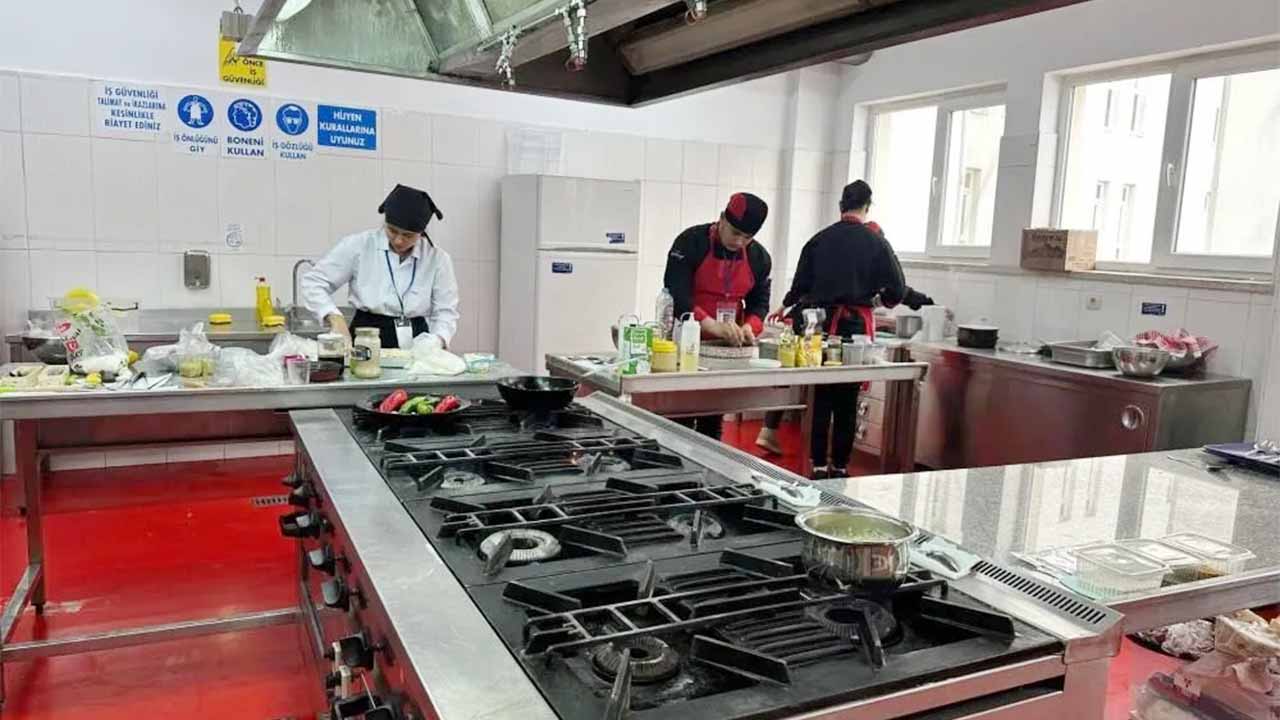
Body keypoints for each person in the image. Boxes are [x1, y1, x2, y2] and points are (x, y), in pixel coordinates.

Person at [757, 180, 920, 478]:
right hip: (855, 331)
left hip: (818, 328)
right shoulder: (877, 243)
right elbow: (897, 289)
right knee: (847, 398)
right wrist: (880, 300)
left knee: (821, 396)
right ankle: (841, 467)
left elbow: (800, 286)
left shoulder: (819, 240)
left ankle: (818, 466)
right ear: (867, 207)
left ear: (840, 206)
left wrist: (784, 305)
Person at [663, 192, 772, 439]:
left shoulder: (760, 258)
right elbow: (677, 294)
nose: (739, 242)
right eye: (735, 233)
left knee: (712, 415)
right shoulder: (690, 242)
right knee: (679, 419)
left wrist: (750, 327)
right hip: (685, 344)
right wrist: (710, 324)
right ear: (722, 219)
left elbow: (759, 303)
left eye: (747, 237)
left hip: (725, 351)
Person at [301, 184, 460, 351]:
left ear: (421, 233)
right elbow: (313, 282)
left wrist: (438, 339)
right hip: (366, 335)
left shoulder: (437, 259)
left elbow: (445, 311)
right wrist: (334, 318)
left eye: (408, 235)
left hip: (417, 340)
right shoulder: (359, 245)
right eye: (392, 231)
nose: (398, 240)